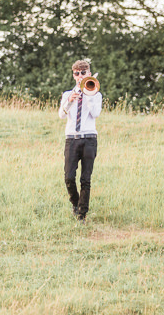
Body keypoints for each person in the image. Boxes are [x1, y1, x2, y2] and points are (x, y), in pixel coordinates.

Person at [58, 59, 102, 223]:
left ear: (89, 74)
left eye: (83, 73)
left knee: (85, 179)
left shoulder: (96, 94)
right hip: (72, 139)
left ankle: (82, 215)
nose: (80, 76)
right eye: (77, 73)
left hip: (89, 138)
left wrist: (88, 94)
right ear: (74, 75)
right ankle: (75, 204)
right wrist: (70, 101)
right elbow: (61, 115)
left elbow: (95, 113)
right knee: (69, 177)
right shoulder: (67, 94)